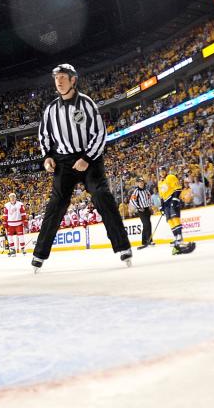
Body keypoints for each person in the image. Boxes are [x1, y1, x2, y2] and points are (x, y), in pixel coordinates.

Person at [32, 64, 132, 272]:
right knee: (56, 204)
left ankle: (122, 247)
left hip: (90, 159)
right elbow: (44, 136)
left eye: (62, 77)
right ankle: (39, 255)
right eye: (56, 78)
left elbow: (100, 133)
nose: (58, 81)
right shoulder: (50, 109)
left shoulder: (87, 104)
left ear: (73, 80)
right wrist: (47, 157)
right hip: (63, 161)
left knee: (101, 195)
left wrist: (87, 158)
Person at [157, 165, 197, 256]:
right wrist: (161, 206)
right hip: (166, 202)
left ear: (166, 171)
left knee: (175, 218)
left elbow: (178, 189)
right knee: (170, 220)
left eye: (163, 170)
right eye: (160, 171)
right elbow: (161, 196)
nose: (162, 173)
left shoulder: (171, 177)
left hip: (172, 199)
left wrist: (175, 200)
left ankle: (180, 237)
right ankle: (176, 237)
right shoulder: (159, 182)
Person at [128, 177, 154, 249]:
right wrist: (138, 207)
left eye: (142, 182)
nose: (141, 183)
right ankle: (148, 240)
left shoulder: (146, 190)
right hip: (141, 210)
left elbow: (149, 199)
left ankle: (145, 241)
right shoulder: (136, 191)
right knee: (146, 224)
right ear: (137, 183)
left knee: (148, 224)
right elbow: (132, 201)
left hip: (147, 209)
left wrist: (150, 207)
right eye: (139, 182)